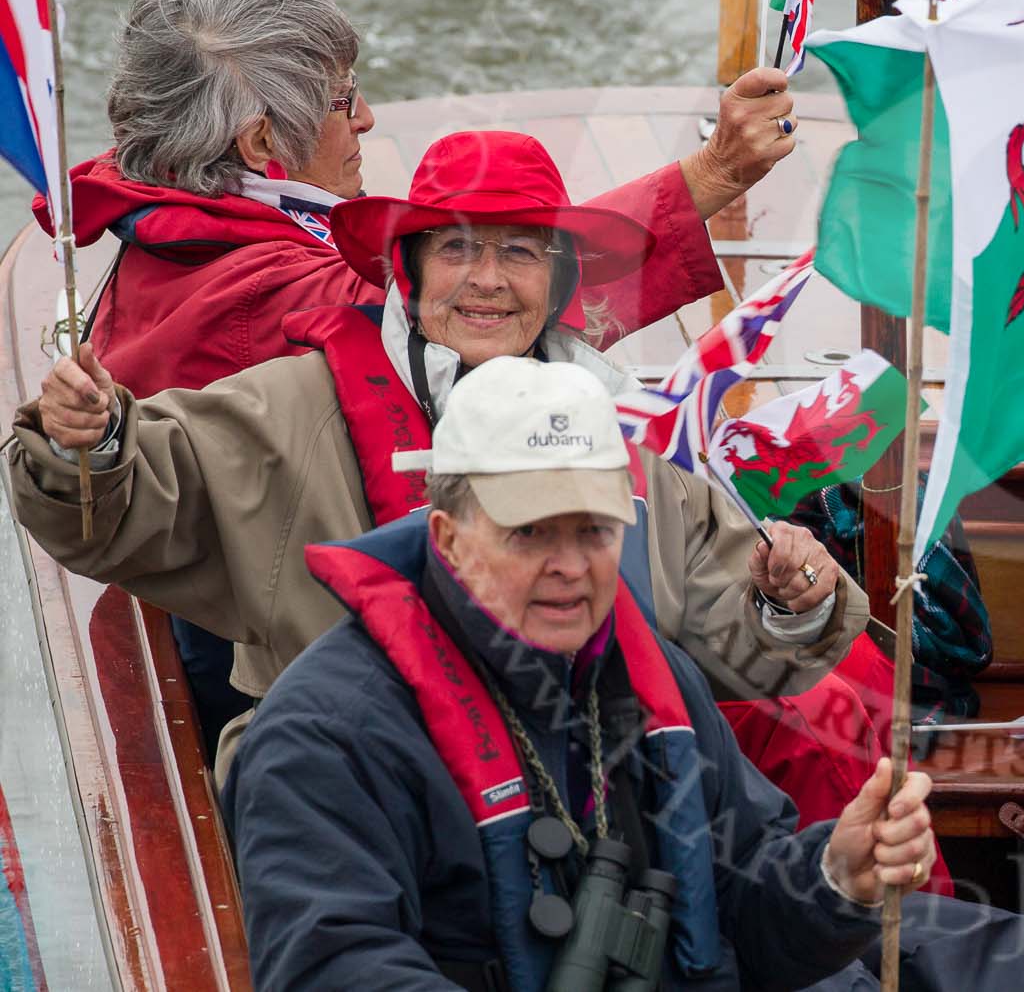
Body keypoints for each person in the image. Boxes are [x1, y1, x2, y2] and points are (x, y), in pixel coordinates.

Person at [9, 132, 874, 823]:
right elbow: (108, 510)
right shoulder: (289, 410)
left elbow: (747, 649)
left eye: (519, 252)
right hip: (349, 798)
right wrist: (85, 438)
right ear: (410, 269)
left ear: (559, 276)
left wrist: (789, 601)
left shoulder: (621, 428)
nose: (488, 279)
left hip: (587, 807)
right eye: (456, 247)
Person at [224, 357, 1024, 991]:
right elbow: (335, 970)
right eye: (530, 533)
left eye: (593, 530)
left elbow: (747, 889)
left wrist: (835, 873)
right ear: (445, 537)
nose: (571, 566)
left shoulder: (645, 674)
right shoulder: (325, 734)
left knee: (1013, 957)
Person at [49, 0, 799, 397]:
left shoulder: (158, 206)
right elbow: (480, 302)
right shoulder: (262, 293)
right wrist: (713, 172)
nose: (369, 117)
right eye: (345, 100)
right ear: (261, 142)